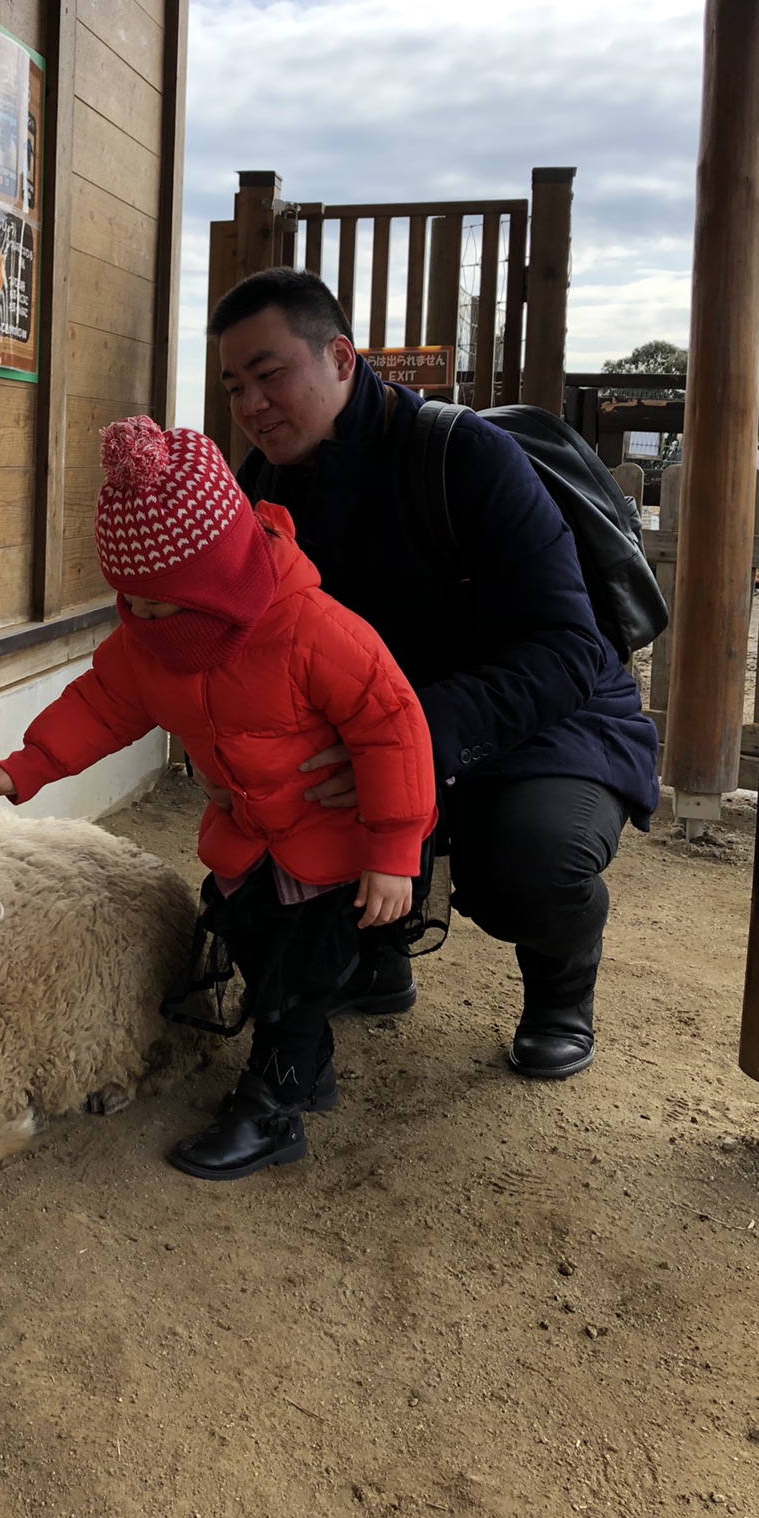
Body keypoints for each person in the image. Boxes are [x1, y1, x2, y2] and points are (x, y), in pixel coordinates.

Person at [0, 415, 437, 1181]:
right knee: (252, 945)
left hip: (329, 850)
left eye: (161, 605)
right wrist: (27, 766)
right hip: (250, 837)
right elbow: (104, 701)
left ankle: (273, 1107)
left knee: (293, 980)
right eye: (130, 605)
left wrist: (393, 851)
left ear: (221, 581)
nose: (141, 621)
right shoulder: (152, 642)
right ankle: (308, 1073)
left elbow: (394, 729)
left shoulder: (315, 632)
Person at [208, 266, 661, 1079]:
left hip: (542, 725)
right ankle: (373, 960)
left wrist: (408, 740)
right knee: (284, 795)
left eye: (269, 374)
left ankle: (562, 979)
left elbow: (568, 649)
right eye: (235, 385)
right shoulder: (262, 487)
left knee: (525, 863)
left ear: (341, 358)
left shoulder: (463, 457)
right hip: (376, 728)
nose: (249, 405)